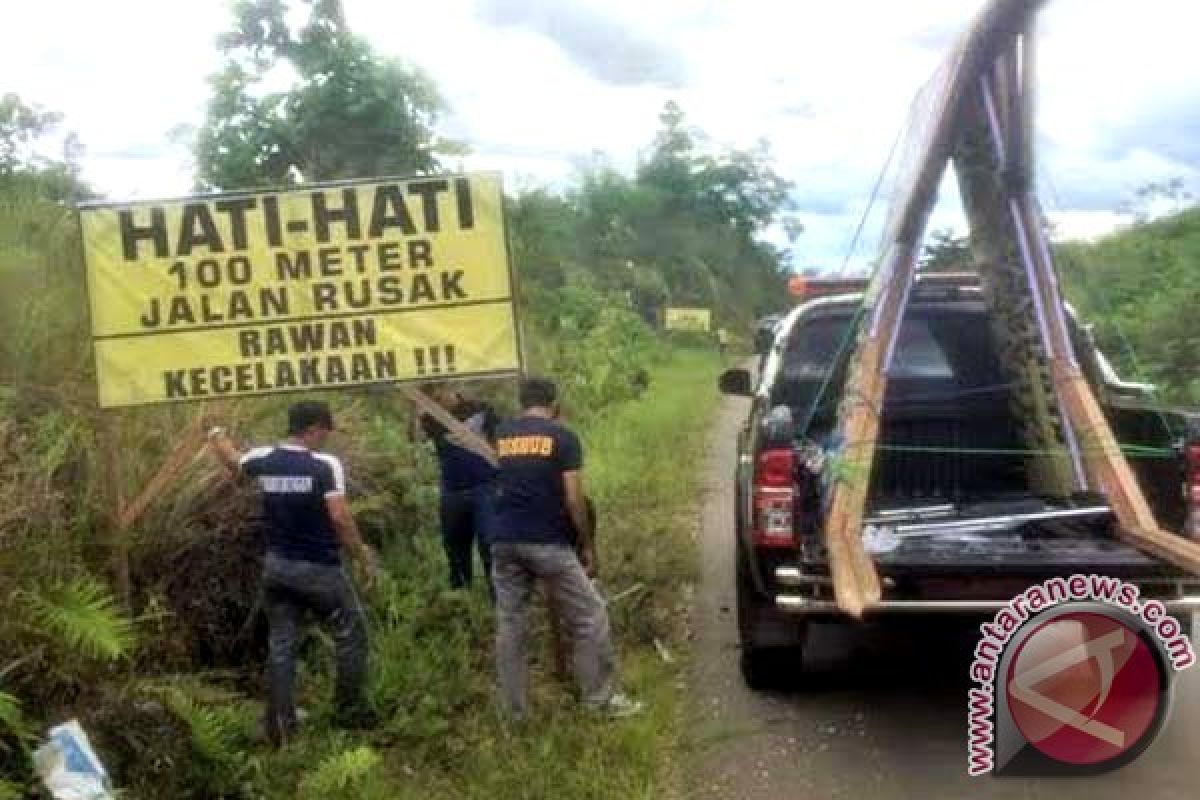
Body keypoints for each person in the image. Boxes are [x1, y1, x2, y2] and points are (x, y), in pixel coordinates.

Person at [207, 401, 380, 745]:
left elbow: (233, 460)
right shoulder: (324, 465)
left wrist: (215, 434)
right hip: (318, 569)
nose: (327, 438)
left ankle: (280, 727)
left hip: (277, 568)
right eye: (325, 431)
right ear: (313, 429)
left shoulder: (264, 459)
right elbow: (340, 518)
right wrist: (362, 557)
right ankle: (348, 713)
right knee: (351, 632)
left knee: (282, 644)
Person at [490, 377, 642, 720]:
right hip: (546, 542)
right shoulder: (563, 437)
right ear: (555, 404)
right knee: (591, 616)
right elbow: (574, 498)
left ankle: (514, 714)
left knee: (511, 625)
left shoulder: (503, 434)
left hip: (503, 542)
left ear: (522, 402)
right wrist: (587, 545)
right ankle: (598, 703)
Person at [417, 385, 499, 591]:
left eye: (437, 394)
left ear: (449, 388)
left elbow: (501, 441)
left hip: (486, 485)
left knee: (489, 542)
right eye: (431, 397)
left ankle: (497, 597)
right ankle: (461, 599)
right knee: (455, 548)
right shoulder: (430, 417)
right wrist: (418, 410)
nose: (436, 400)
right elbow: (415, 439)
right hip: (452, 490)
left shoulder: (481, 409)